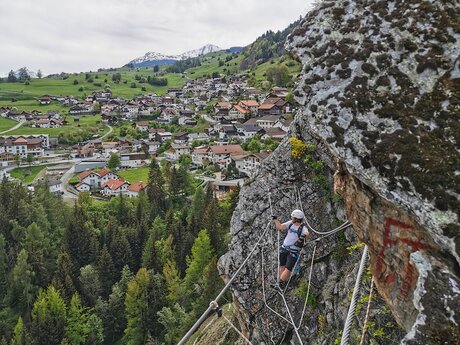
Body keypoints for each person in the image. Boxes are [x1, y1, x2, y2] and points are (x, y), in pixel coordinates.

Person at [272, 209, 311, 288]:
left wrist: (303, 236)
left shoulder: (302, 228)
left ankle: (280, 284)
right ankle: (281, 283)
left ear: (296, 219)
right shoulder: (290, 223)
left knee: (288, 268)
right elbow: (280, 227)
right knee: (282, 266)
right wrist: (276, 220)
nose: (291, 218)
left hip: (293, 251)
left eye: (292, 217)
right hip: (284, 248)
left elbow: (307, 233)